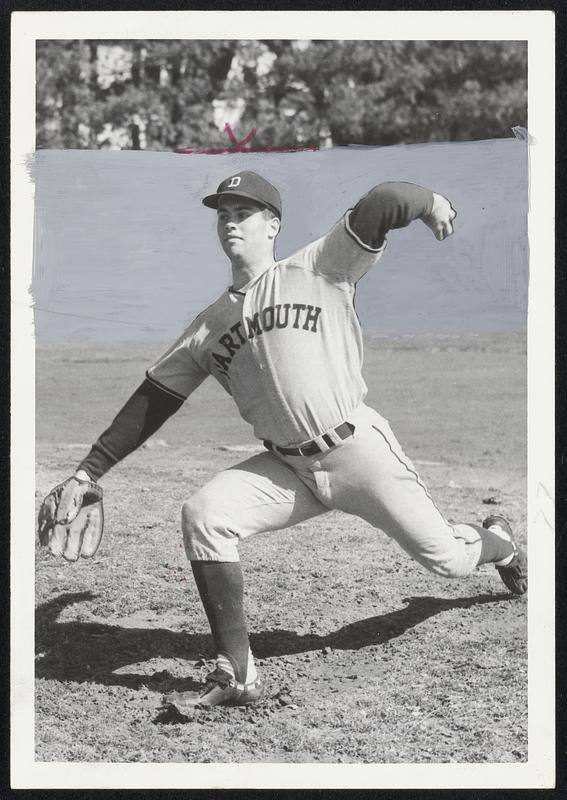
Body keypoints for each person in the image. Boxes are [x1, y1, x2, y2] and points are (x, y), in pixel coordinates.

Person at [38, 170, 527, 713]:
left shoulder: (319, 267)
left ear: (272, 225)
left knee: (448, 562)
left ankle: (499, 540)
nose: (230, 222)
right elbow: (154, 399)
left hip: (357, 452)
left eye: (243, 212)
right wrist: (89, 471)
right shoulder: (209, 325)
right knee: (204, 513)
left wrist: (431, 201)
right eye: (222, 213)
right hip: (287, 469)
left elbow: (383, 203)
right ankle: (238, 673)